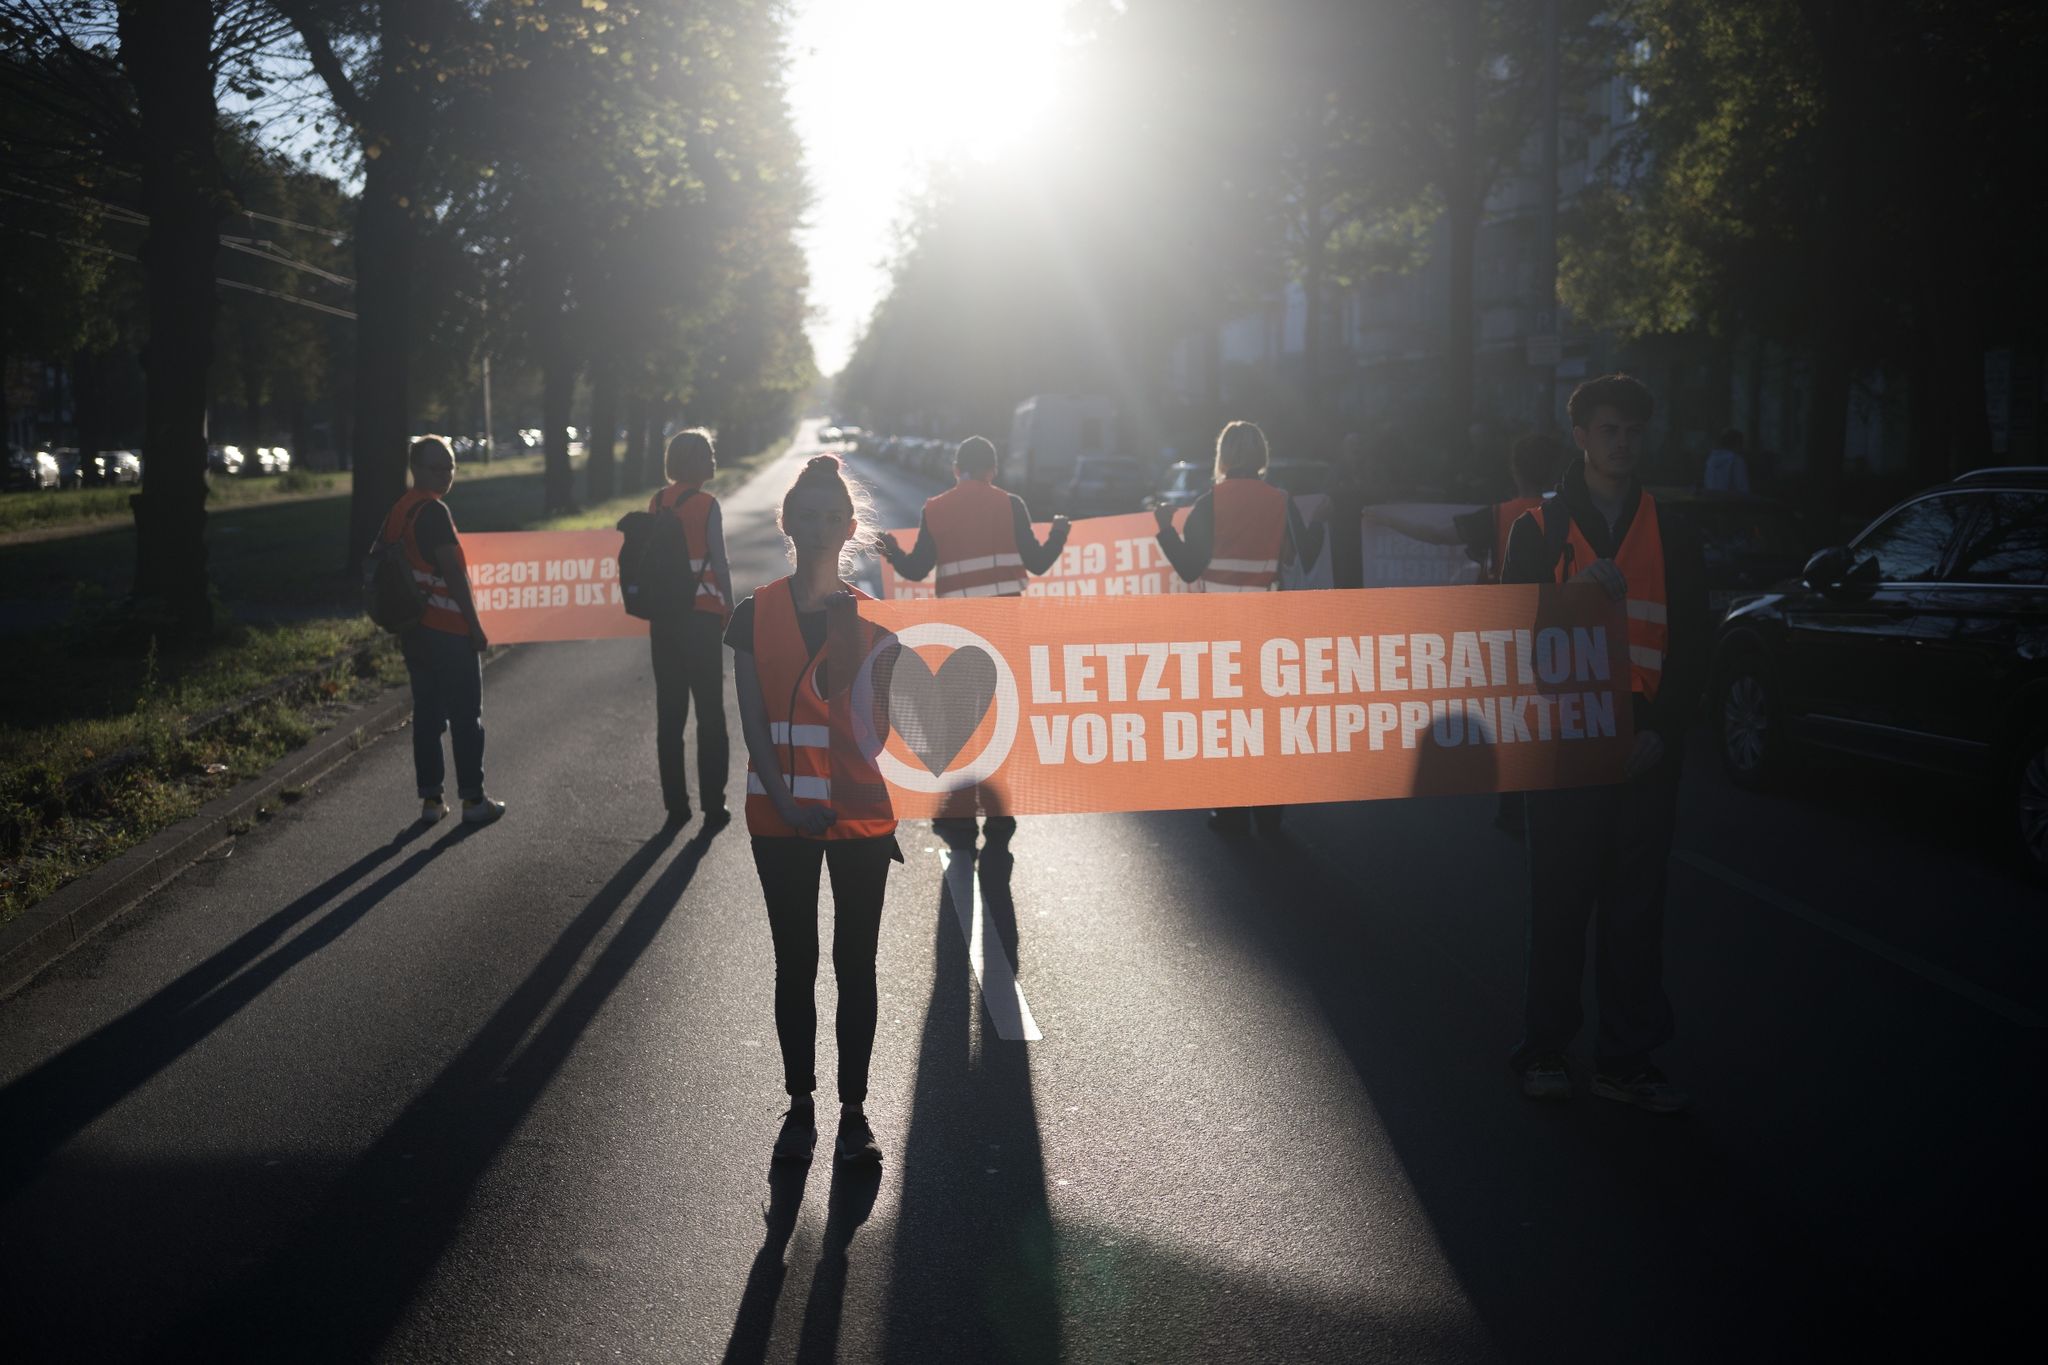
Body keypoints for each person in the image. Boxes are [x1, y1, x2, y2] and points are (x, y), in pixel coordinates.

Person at [1499, 374, 1706, 1113]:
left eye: (1633, 431)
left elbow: (1692, 644)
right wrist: (1575, 592)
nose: (1623, 443)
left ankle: (1626, 1057)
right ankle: (1544, 1048)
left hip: (1644, 746)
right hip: (1564, 745)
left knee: (1635, 909)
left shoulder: (1673, 530)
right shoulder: (1540, 529)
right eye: (1609, 429)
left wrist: (1661, 730)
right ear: (1580, 435)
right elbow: (1508, 636)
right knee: (1560, 901)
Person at [727, 454, 901, 1168]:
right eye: (809, 514)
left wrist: (849, 641)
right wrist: (789, 800)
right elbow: (755, 724)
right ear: (787, 522)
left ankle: (854, 1113)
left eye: (835, 516)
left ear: (851, 526)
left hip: (860, 818)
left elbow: (877, 736)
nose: (823, 526)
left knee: (854, 963)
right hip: (780, 818)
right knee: (795, 964)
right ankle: (801, 1104)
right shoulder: (752, 614)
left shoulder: (872, 623)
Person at [878, 435, 1070, 850]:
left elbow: (915, 569)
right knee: (1003, 721)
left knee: (965, 722)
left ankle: (961, 816)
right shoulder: (1011, 504)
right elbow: (1037, 562)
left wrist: (891, 550)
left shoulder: (936, 508)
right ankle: (1002, 817)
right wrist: (1058, 533)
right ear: (993, 470)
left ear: (955, 469)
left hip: (960, 630)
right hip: (1004, 624)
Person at [1152, 420, 1310, 837]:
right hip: (1267, 627)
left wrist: (1165, 528)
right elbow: (1303, 556)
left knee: (1226, 723)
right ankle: (1270, 814)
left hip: (1220, 631)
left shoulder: (1210, 502)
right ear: (1262, 456)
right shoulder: (1281, 500)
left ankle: (1232, 813)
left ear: (1222, 456)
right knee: (1267, 724)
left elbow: (1188, 568)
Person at [377, 436, 504, 826]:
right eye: (437, 467)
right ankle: (473, 801)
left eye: (450, 466)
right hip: (447, 628)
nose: (445, 474)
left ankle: (432, 801)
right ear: (417, 468)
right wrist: (475, 626)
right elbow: (453, 571)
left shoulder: (400, 509)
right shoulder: (433, 512)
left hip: (414, 629)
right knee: (467, 717)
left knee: (428, 717)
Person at [646, 429, 734, 826]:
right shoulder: (706, 504)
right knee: (710, 714)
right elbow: (719, 561)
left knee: (671, 714)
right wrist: (728, 607)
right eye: (708, 454)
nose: (714, 459)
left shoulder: (657, 502)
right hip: (700, 618)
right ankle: (713, 805)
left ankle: (676, 806)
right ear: (694, 462)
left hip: (664, 618)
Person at [1701, 428, 1751, 493]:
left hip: (1711, 501)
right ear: (1737, 443)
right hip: (1731, 501)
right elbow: (1742, 488)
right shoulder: (1736, 460)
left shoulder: (1711, 459)